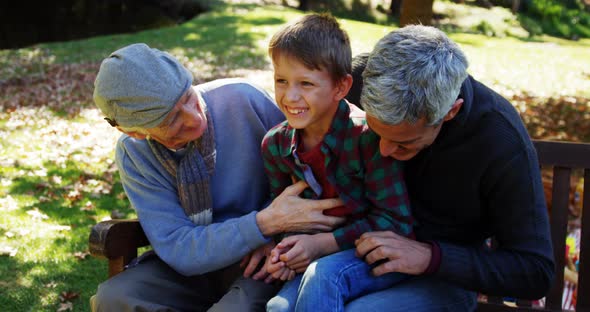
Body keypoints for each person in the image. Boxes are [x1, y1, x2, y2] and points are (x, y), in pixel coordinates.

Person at [89, 43, 346, 312]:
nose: (194, 118)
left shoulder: (243, 100)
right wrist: (265, 223)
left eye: (188, 96)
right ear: (136, 133)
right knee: (113, 298)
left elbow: (312, 176)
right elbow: (178, 247)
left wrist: (277, 235)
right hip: (196, 266)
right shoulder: (135, 153)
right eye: (171, 119)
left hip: (265, 259)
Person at [344, 25, 555, 311]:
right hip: (354, 253)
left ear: (450, 112)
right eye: (375, 131)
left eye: (404, 143)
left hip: (441, 279)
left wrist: (430, 257)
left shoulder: (500, 141)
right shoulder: (360, 79)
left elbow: (535, 270)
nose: (384, 150)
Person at [261, 14, 414, 312]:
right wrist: (285, 252)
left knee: (324, 282)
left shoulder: (367, 138)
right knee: (277, 308)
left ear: (341, 87)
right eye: (281, 80)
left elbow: (396, 222)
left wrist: (323, 244)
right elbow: (284, 217)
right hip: (317, 255)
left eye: (306, 83)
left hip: (372, 254)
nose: (290, 95)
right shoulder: (276, 145)